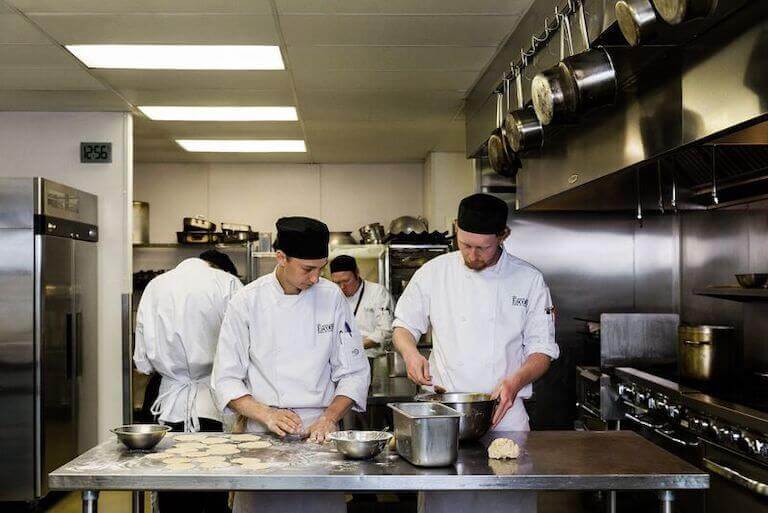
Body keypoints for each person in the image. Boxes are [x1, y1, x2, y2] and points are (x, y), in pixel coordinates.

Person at [392, 193, 559, 513]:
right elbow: (403, 327)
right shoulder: (433, 273)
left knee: (507, 504)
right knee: (447, 505)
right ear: (456, 228)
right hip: (444, 415)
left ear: (503, 236)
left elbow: (542, 351)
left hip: (504, 414)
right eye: (465, 244)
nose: (472, 255)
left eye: (483, 247)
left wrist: (515, 381)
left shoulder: (529, 279)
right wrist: (411, 354)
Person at [212, 216, 370, 513]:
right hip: (261, 436)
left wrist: (330, 418)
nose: (315, 278)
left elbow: (354, 372)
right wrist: (267, 414)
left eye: (321, 268)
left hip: (319, 434)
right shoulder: (246, 301)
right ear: (281, 258)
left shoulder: (332, 297)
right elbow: (225, 380)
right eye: (308, 269)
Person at [133, 249, 242, 513]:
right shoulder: (228, 284)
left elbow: (143, 362)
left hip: (168, 405)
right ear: (221, 269)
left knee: (172, 485)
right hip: (214, 402)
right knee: (213, 488)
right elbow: (244, 348)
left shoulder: (156, 286)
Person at [329, 254, 394, 358]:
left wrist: (356, 345)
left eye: (346, 281)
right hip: (342, 358)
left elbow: (386, 330)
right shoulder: (333, 296)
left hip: (371, 358)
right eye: (337, 283)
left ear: (357, 273)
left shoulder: (377, 292)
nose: (342, 287)